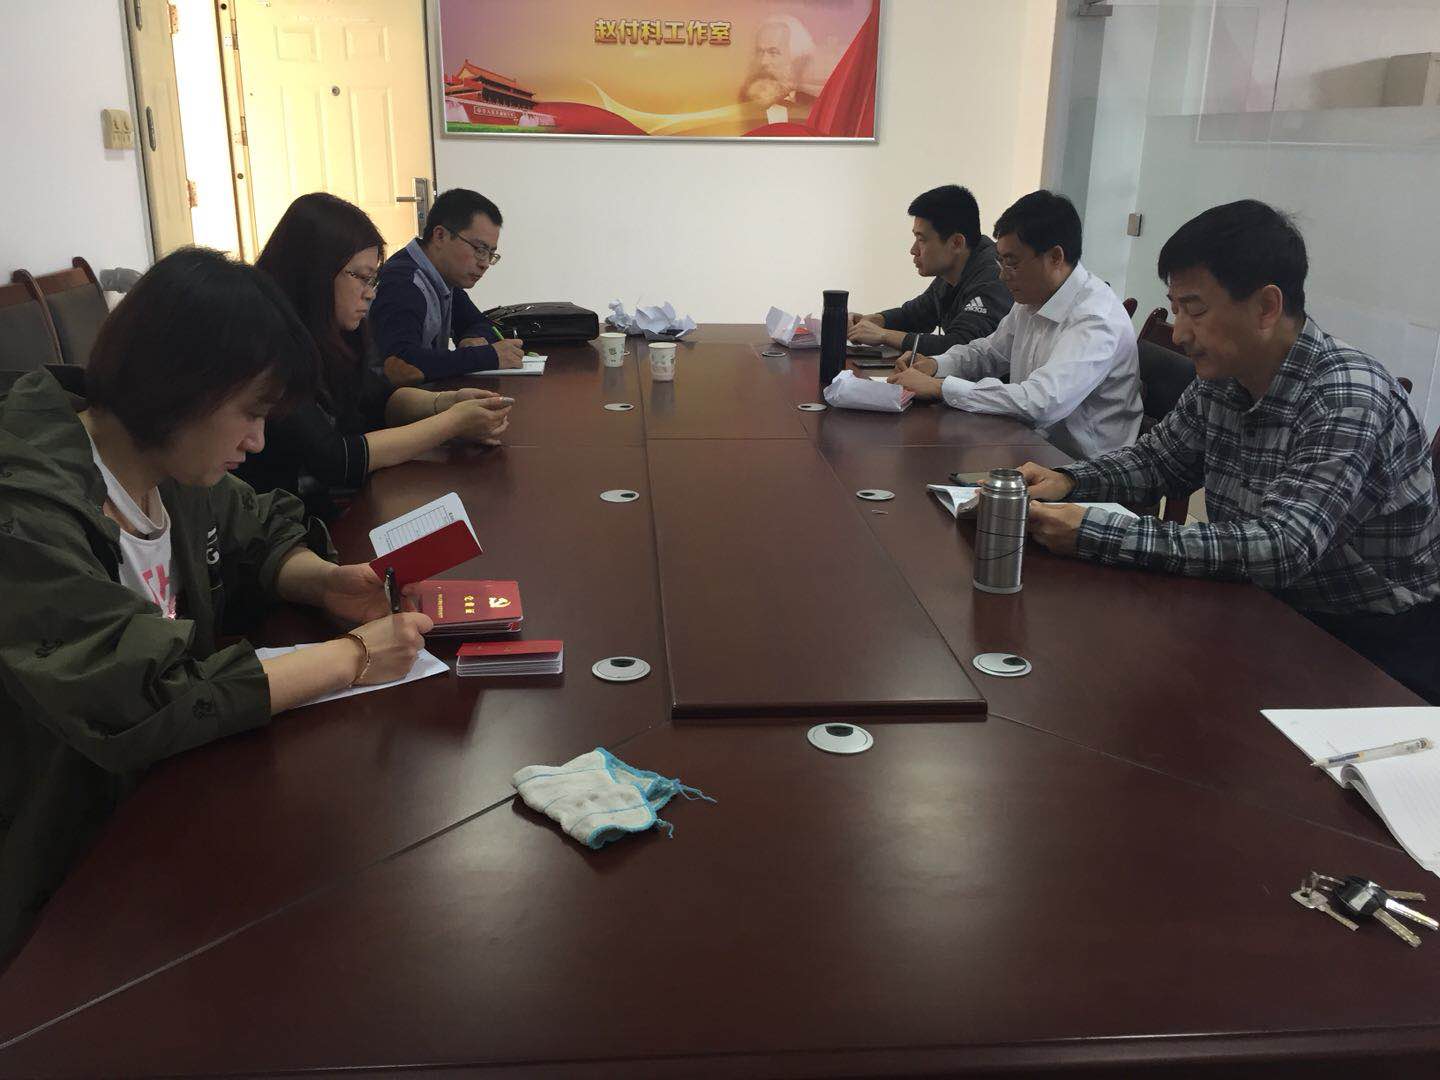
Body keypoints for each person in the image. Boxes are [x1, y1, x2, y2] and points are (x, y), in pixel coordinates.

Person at [0, 248, 434, 965]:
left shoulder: (163, 458)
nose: (258, 441)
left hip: (157, 812)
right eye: (251, 414)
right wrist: (354, 657)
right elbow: (142, 695)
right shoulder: (26, 511)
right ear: (181, 386)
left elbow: (255, 527)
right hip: (57, 876)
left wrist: (321, 581)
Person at [1023, 200, 1440, 703]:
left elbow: (1281, 547)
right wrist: (1069, 481)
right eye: (1175, 308)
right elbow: (1159, 461)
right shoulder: (1224, 378)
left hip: (1368, 649)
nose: (1180, 333)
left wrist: (1095, 532)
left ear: (1266, 307)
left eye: (1195, 309)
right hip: (1264, 610)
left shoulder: (1347, 395)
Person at [238, 193, 514, 520]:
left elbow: (378, 398)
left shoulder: (334, 329)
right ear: (316, 271)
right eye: (361, 277)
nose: (370, 292)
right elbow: (334, 459)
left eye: (372, 279)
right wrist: (452, 423)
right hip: (283, 523)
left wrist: (448, 402)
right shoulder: (268, 344)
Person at [889, 190, 1142, 459]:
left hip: (1081, 466)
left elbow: (1041, 402)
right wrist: (936, 365)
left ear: (1055, 257)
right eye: (1000, 261)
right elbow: (988, 353)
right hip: (1029, 444)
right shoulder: (1033, 297)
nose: (1002, 275)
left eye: (1011, 263)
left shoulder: (1095, 318)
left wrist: (941, 387)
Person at [369, 188, 524, 383]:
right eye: (479, 249)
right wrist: (487, 356)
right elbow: (403, 364)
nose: (484, 263)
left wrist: (473, 338)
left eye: (490, 253)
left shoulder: (443, 276)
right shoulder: (404, 283)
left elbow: (480, 323)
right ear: (440, 236)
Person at [848, 184, 1012, 355]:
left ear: (956, 243)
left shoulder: (993, 277)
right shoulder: (952, 270)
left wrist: (884, 335)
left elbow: (961, 347)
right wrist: (873, 321)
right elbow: (915, 315)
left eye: (921, 240)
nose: (913, 250)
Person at [739, 15, 818, 121]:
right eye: (760, 52)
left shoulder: (816, 107)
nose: (763, 62)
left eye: (773, 52)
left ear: (796, 58)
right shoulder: (742, 105)